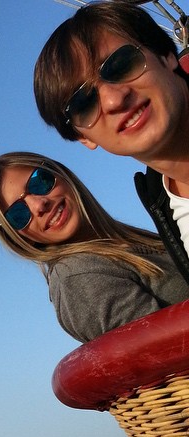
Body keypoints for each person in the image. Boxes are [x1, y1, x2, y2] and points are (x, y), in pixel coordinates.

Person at [33, 2, 189, 283]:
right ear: (83, 137)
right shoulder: (165, 206)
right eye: (83, 104)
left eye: (122, 64)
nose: (114, 100)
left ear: (165, 55)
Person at [0, 151, 189, 343]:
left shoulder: (127, 242)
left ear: (59, 172)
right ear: (16, 236)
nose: (39, 205)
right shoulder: (77, 276)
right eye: (18, 215)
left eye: (39, 182)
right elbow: (166, 352)